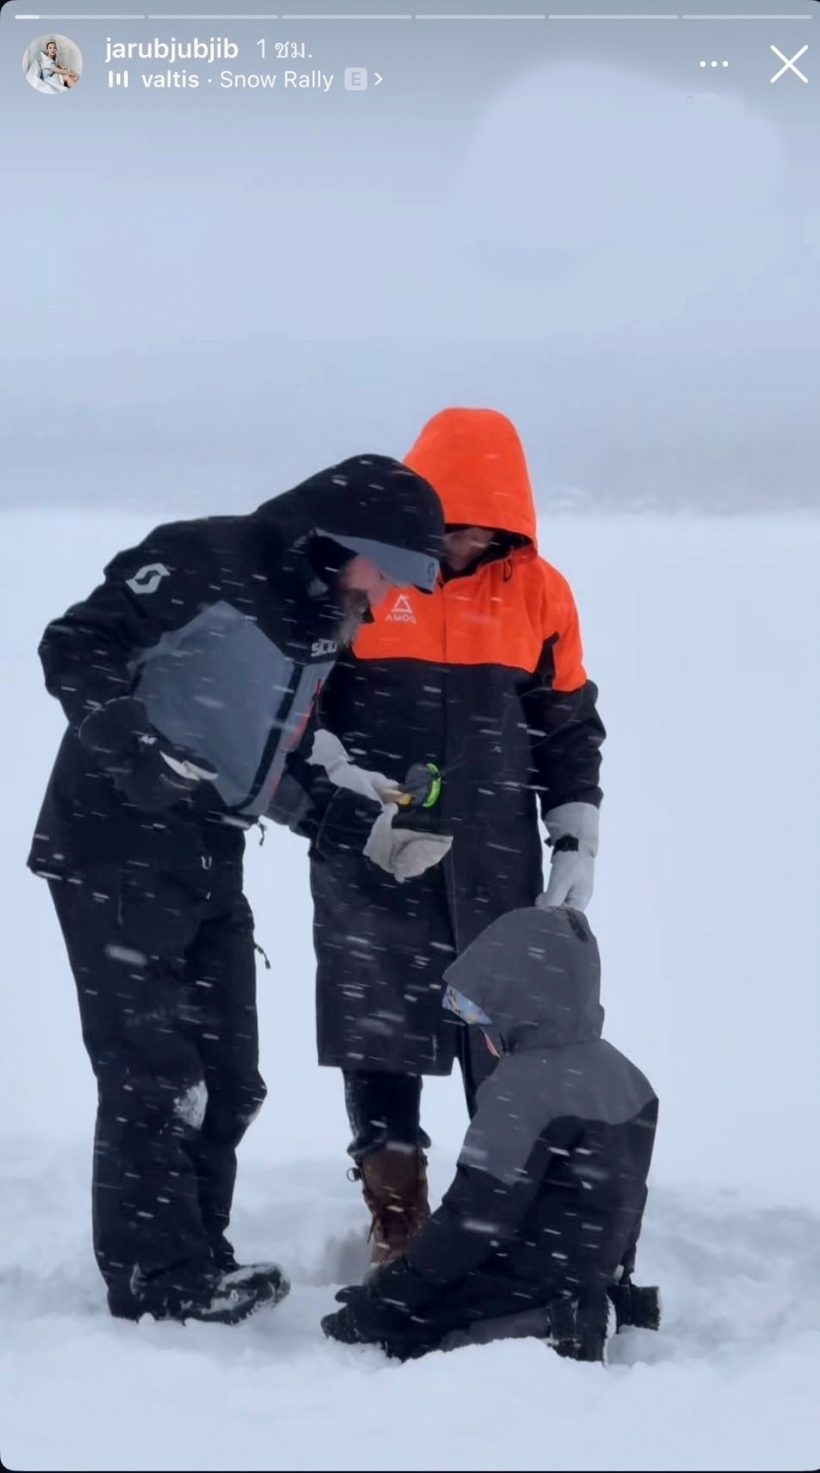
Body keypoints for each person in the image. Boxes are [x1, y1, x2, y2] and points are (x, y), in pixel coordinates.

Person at [27, 455, 447, 1326]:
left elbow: (260, 760)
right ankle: (155, 1278)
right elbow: (74, 644)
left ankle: (198, 1256)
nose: (381, 600)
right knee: (155, 1076)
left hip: (209, 852)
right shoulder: (206, 561)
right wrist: (133, 750)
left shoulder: (317, 620)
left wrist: (349, 824)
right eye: (385, 575)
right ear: (343, 542)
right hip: (112, 845)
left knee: (228, 1077)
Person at [308, 408, 605, 1263]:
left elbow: (568, 722)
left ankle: (500, 1210)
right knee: (377, 1030)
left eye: (486, 528)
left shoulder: (540, 592)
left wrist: (575, 829)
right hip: (369, 844)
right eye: (452, 526)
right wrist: (337, 785)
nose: (467, 543)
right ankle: (396, 1212)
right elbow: (300, 709)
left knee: (503, 1034)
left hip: (494, 853)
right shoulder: (363, 579)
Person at [321, 905, 660, 1364]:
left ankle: (554, 1323)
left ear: (520, 997)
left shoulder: (524, 1090)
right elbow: (628, 1205)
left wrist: (385, 1301)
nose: (483, 1035)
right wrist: (618, 1275)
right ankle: (596, 1304)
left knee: (410, 1333)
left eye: (486, 1017)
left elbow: (471, 1221)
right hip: (582, 1269)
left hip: (526, 1281)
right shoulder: (627, 1077)